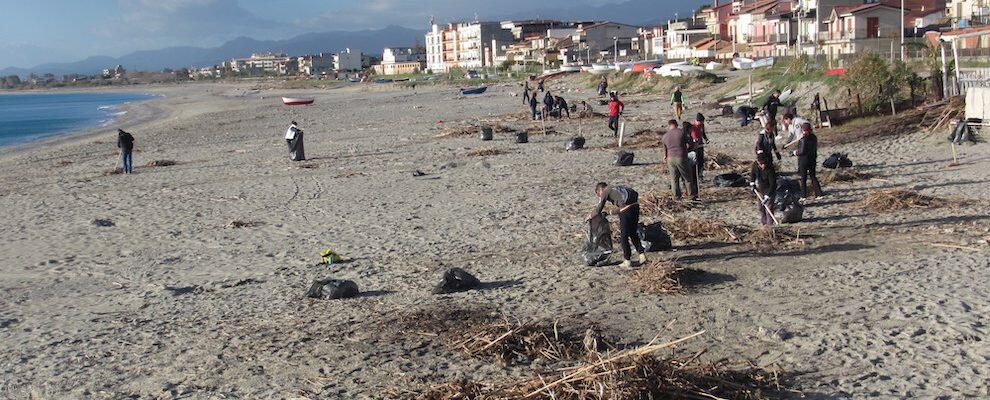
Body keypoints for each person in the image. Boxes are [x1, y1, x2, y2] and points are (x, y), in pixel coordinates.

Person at [588, 182, 647, 268]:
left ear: (600, 189)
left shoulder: (606, 190)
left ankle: (627, 260)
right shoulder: (618, 187)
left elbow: (599, 208)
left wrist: (590, 215)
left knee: (624, 236)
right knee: (633, 233)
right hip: (635, 207)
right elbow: (633, 195)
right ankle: (642, 255)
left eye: (598, 194)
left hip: (626, 211)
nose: (600, 196)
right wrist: (610, 212)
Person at [662, 120, 698, 201]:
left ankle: (676, 198)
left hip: (670, 158)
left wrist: (665, 157)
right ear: (676, 124)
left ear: (669, 125)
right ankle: (691, 196)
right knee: (687, 178)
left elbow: (665, 151)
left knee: (674, 179)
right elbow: (690, 143)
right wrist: (692, 147)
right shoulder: (681, 132)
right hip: (680, 156)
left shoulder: (665, 136)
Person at [792, 122, 823, 198]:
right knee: (813, 176)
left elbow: (802, 151)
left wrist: (794, 152)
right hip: (812, 159)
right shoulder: (814, 137)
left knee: (803, 178)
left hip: (804, 160)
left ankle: (803, 196)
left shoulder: (803, 139)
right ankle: (818, 194)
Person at [749, 154, 777, 227]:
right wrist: (752, 184)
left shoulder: (770, 169)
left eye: (764, 164)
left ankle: (770, 226)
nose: (763, 165)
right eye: (761, 164)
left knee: (769, 209)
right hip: (760, 189)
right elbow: (752, 174)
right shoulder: (755, 165)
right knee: (761, 208)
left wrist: (767, 196)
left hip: (769, 190)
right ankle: (764, 223)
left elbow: (773, 184)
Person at [689, 113, 710, 181]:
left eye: (702, 122)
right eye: (700, 121)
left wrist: (706, 139)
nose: (701, 123)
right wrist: (695, 142)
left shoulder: (701, 125)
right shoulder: (693, 127)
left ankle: (700, 175)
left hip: (701, 145)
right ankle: (695, 176)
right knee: (695, 162)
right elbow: (692, 137)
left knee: (701, 161)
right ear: (696, 121)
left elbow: (703, 133)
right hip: (695, 147)